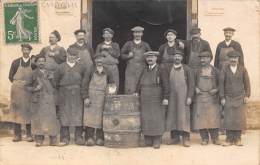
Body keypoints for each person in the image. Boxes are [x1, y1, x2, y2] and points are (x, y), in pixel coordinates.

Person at [27, 56, 65, 147]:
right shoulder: (33, 74)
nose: (41, 63)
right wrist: (35, 88)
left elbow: (55, 86)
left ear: (45, 62)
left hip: (49, 99)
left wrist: (52, 79)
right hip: (38, 99)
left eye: (43, 61)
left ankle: (53, 140)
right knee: (38, 119)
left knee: (51, 119)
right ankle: (39, 140)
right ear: (36, 63)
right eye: (39, 61)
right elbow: (27, 86)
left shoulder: (50, 73)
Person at [54, 47, 87, 146]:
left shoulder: (81, 67)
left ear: (77, 56)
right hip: (64, 93)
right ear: (67, 55)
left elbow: (85, 82)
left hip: (77, 93)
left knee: (78, 114)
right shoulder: (60, 67)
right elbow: (55, 82)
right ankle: (65, 137)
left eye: (74, 55)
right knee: (64, 114)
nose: (72, 57)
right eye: (70, 55)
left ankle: (78, 137)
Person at [136, 51, 168, 149]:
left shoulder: (161, 69)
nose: (150, 59)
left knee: (157, 117)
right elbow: (139, 82)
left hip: (156, 97)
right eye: (148, 57)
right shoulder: (144, 69)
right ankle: (148, 138)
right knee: (146, 117)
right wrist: (136, 92)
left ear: (156, 58)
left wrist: (166, 97)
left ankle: (157, 139)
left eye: (152, 57)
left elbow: (166, 85)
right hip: (145, 98)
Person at [164, 49, 195, 147]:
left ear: (182, 58)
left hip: (183, 96)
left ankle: (186, 138)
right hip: (172, 96)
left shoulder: (187, 69)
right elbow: (166, 83)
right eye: (175, 56)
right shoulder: (168, 68)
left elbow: (192, 84)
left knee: (183, 116)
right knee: (173, 115)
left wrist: (190, 96)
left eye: (179, 56)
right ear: (173, 57)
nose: (177, 58)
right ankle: (175, 138)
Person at [219, 50, 250, 146]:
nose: (233, 60)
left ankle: (237, 138)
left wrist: (247, 95)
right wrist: (222, 97)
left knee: (238, 118)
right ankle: (229, 139)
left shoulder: (243, 69)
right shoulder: (224, 69)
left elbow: (247, 83)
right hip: (228, 97)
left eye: (235, 58)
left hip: (240, 97)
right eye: (231, 58)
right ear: (228, 59)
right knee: (228, 118)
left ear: (238, 59)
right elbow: (221, 84)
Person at [83, 53, 115, 146]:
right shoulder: (90, 70)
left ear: (104, 60)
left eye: (101, 59)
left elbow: (112, 84)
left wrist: (110, 97)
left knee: (102, 118)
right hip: (91, 96)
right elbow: (84, 84)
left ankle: (100, 138)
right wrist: (86, 97)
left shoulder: (108, 71)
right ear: (94, 61)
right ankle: (89, 138)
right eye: (97, 59)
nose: (99, 61)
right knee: (90, 118)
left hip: (103, 97)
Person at [193, 51, 221, 145]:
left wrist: (216, 90)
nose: (202, 60)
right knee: (201, 119)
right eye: (201, 58)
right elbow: (192, 83)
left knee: (213, 118)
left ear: (210, 59)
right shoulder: (197, 71)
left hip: (212, 98)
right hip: (200, 97)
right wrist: (195, 88)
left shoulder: (216, 71)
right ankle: (204, 138)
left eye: (205, 58)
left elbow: (222, 84)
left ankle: (215, 138)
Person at [9, 43, 35, 142]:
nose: (25, 51)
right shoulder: (15, 62)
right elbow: (10, 76)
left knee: (29, 111)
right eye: (24, 49)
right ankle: (17, 135)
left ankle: (29, 134)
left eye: (27, 50)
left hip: (28, 90)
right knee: (16, 111)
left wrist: (28, 85)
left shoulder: (33, 63)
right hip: (17, 90)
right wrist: (18, 84)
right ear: (22, 51)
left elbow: (35, 76)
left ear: (30, 51)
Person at [121, 26, 151, 94]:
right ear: (133, 34)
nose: (137, 34)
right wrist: (128, 56)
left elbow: (151, 56)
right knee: (130, 88)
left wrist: (147, 59)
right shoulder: (128, 44)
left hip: (142, 69)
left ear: (142, 34)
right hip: (130, 70)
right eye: (136, 33)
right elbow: (122, 55)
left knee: (142, 87)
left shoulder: (145, 44)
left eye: (139, 33)